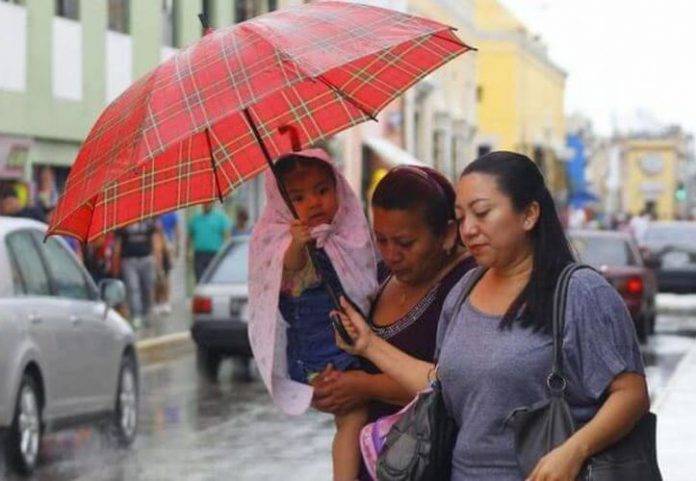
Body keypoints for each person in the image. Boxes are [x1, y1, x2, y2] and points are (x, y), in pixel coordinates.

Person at [334, 151, 649, 481]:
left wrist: (573, 451)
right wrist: (366, 344)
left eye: (481, 212)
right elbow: (441, 386)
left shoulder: (580, 293)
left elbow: (632, 394)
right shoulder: (465, 291)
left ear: (529, 214)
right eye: (461, 216)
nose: (468, 229)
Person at [309, 165, 476, 480]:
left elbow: (456, 385)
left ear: (448, 234)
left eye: (405, 242)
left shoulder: (468, 284)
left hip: (430, 466)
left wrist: (362, 387)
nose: (390, 254)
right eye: (381, 240)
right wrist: (329, 388)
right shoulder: (379, 277)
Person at [247, 149, 379, 481]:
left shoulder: (347, 230)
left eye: (323, 190)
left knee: (359, 417)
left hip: (351, 340)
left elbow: (365, 274)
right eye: (299, 197)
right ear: (281, 203)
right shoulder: (282, 238)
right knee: (353, 415)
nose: (314, 202)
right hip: (320, 350)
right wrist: (296, 244)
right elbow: (284, 269)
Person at [113, 219, 160, 328]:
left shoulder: (149, 222)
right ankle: (136, 316)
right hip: (129, 260)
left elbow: (154, 240)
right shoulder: (123, 223)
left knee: (148, 288)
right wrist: (116, 262)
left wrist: (158, 261)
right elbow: (118, 243)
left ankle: (146, 314)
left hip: (146, 259)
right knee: (133, 288)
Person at [187, 203, 231, 282]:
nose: (206, 205)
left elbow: (226, 236)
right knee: (200, 279)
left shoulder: (220, 218)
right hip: (199, 254)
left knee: (214, 278)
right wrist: (188, 252)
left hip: (215, 254)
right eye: (204, 203)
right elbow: (189, 237)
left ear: (212, 204)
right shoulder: (195, 219)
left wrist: (225, 251)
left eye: (209, 203)